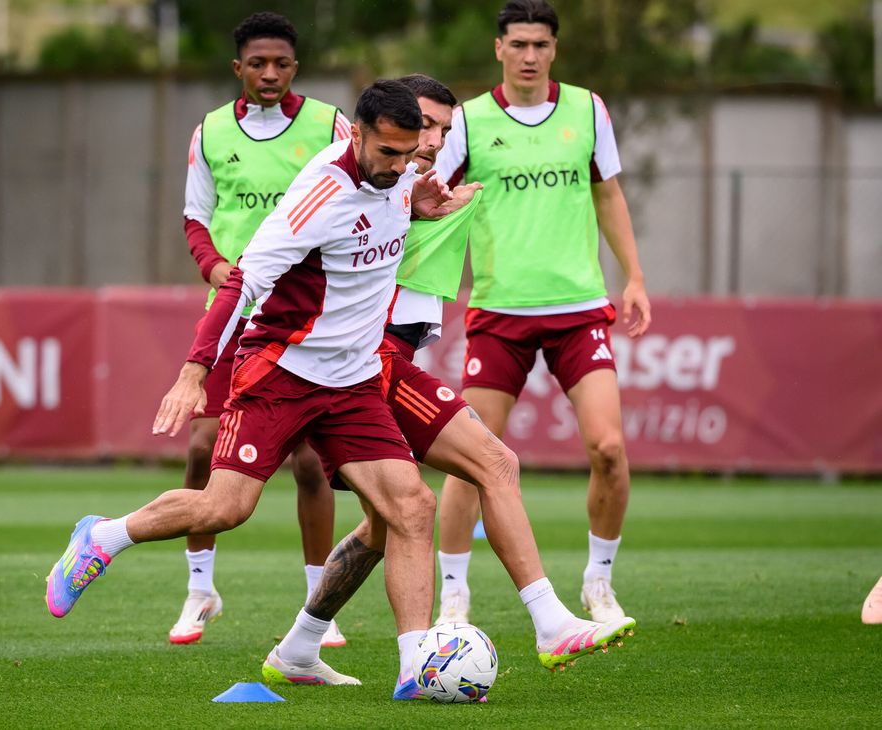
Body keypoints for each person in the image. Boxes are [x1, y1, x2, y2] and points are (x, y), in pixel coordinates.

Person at [46, 80, 465, 698]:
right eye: (388, 155)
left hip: (351, 380)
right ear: (356, 135)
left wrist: (417, 199)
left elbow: (401, 190)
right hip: (282, 371)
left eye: (409, 155)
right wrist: (194, 370)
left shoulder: (399, 173)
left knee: (411, 507)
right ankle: (104, 536)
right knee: (226, 508)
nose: (401, 167)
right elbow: (240, 283)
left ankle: (415, 671)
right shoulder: (318, 198)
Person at [260, 74, 634, 698]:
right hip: (367, 359)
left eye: (442, 129)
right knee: (491, 462)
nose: (433, 140)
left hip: (387, 352)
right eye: (424, 127)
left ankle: (299, 644)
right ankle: (548, 623)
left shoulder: (413, 181)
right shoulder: (382, 184)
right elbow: (325, 240)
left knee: (389, 524)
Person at [432, 0, 653, 626]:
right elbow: (430, 198)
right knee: (472, 456)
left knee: (609, 447)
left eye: (542, 45)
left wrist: (633, 276)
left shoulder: (588, 110)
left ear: (554, 49)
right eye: (519, 44)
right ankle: (453, 594)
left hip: (580, 308)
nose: (530, 56)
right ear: (498, 48)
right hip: (500, 311)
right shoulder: (469, 122)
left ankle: (598, 585)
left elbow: (608, 192)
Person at [177, 11, 352, 646]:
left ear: (295, 67)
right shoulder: (211, 132)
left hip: (304, 317)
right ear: (238, 69)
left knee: (309, 462)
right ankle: (200, 590)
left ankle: (317, 601)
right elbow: (196, 218)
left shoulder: (332, 125)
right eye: (258, 63)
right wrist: (217, 266)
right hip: (234, 312)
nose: (270, 73)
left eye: (281, 63)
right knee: (200, 449)